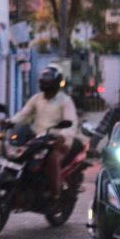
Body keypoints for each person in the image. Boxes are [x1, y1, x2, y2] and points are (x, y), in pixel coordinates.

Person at [6, 64, 78, 200]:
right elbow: (23, 115)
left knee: (52, 159)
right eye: (44, 81)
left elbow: (71, 123)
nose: (46, 84)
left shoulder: (65, 101)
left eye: (49, 81)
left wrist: (62, 136)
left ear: (56, 83)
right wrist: (10, 122)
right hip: (38, 138)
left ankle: (55, 193)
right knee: (19, 155)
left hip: (56, 141)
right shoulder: (37, 98)